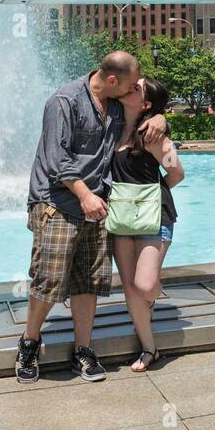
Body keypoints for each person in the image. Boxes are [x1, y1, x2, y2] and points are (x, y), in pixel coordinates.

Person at [17, 51, 167, 384]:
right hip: (57, 201)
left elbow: (141, 119)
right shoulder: (64, 101)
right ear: (113, 80)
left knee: (89, 281)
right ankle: (29, 342)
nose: (132, 91)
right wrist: (84, 195)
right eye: (129, 86)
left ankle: (83, 349)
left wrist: (162, 117)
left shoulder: (115, 105)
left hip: (97, 205)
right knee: (49, 278)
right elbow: (58, 159)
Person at [110, 76, 185, 372]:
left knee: (145, 284)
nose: (130, 86)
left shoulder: (154, 135)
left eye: (137, 87)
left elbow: (177, 174)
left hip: (154, 216)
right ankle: (149, 348)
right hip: (120, 218)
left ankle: (150, 301)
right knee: (130, 287)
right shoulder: (111, 127)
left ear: (146, 104)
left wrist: (152, 195)